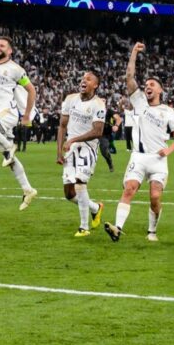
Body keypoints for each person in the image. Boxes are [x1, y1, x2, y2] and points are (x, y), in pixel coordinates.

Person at [104, 43, 174, 243]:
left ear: (160, 90)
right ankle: (117, 228)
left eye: (152, 85)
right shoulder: (139, 102)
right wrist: (133, 53)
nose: (147, 86)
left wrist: (169, 150)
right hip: (138, 157)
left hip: (158, 159)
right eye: (146, 84)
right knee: (129, 189)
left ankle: (152, 231)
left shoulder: (168, 112)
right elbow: (129, 77)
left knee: (155, 197)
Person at [0, 2, 38, 210]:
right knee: (8, 158)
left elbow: (31, 90)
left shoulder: (16, 70)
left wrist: (27, 115)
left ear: (10, 51)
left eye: (2, 46)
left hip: (8, 111)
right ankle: (28, 189)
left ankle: (10, 147)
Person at [57, 71, 107, 237]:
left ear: (95, 85)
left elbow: (98, 131)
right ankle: (95, 208)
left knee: (80, 183)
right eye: (83, 78)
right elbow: (62, 126)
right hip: (70, 148)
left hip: (87, 147)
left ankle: (84, 227)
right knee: (69, 194)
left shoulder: (98, 104)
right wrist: (59, 151)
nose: (84, 81)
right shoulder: (70, 99)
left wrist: (74, 140)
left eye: (89, 79)